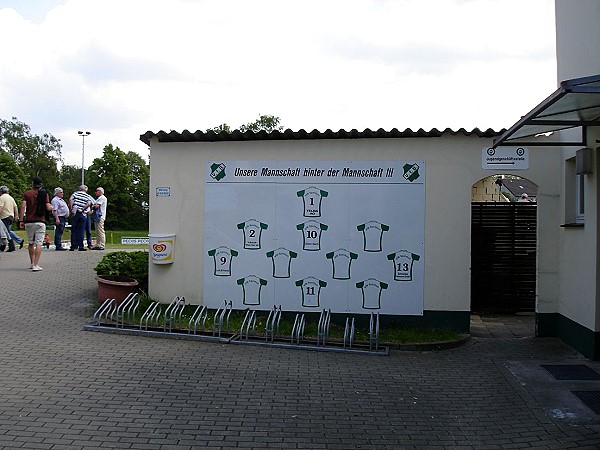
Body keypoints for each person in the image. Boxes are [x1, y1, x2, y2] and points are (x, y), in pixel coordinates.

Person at [19, 176, 52, 271]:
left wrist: (21, 220)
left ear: (32, 183)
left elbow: (23, 207)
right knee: (38, 243)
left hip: (29, 221)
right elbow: (48, 207)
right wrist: (52, 207)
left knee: (30, 243)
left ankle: (32, 262)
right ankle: (36, 265)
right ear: (41, 184)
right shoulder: (44, 194)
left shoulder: (27, 194)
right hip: (40, 221)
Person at [0, 185, 24, 252]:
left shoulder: (2, 198)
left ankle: (16, 242)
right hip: (11, 216)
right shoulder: (11, 198)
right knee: (7, 231)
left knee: (6, 232)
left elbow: (1, 207)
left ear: (1, 192)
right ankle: (5, 246)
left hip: (4, 216)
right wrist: (16, 215)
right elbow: (15, 207)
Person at [69, 185, 92, 251]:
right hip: (82, 213)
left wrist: (71, 209)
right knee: (81, 230)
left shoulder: (75, 193)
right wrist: (83, 209)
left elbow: (70, 199)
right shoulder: (87, 196)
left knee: (74, 229)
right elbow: (89, 203)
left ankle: (73, 246)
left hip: (75, 212)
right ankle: (81, 246)